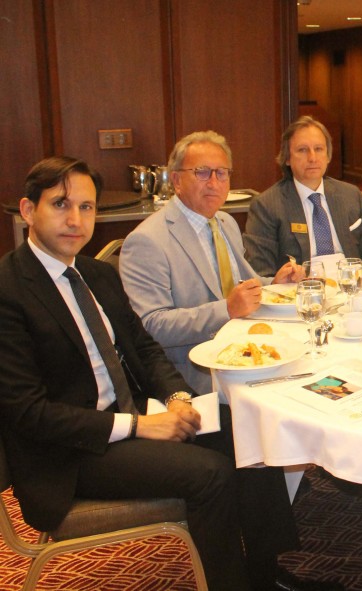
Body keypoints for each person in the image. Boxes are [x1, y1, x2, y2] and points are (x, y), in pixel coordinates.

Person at [0, 157, 335, 591]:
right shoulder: (9, 290)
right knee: (210, 473)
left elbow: (143, 348)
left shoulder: (95, 274)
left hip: (133, 413)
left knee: (250, 428)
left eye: (86, 207)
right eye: (60, 204)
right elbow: (29, 413)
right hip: (70, 452)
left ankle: (265, 574)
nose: (75, 220)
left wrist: (177, 398)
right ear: (29, 210)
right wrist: (139, 425)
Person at [120, 131, 301, 394]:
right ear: (177, 180)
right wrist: (225, 309)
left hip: (246, 351)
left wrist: (273, 283)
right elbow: (151, 326)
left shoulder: (225, 222)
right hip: (195, 373)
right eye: (202, 172)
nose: (214, 183)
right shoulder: (147, 241)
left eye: (222, 173)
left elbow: (236, 285)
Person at [244, 116, 362, 276]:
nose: (312, 158)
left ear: (328, 155)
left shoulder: (350, 195)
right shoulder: (267, 205)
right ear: (287, 158)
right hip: (302, 287)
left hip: (350, 282)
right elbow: (260, 272)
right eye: (302, 150)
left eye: (319, 149)